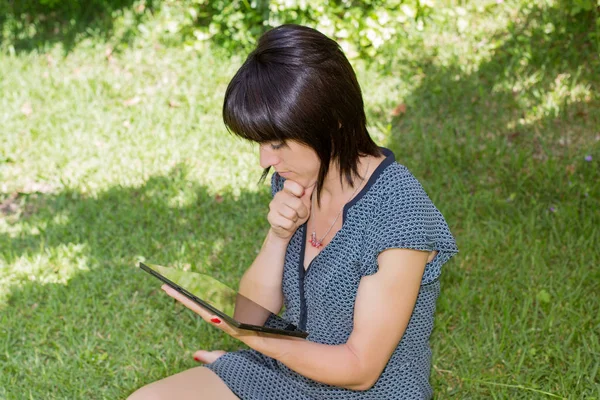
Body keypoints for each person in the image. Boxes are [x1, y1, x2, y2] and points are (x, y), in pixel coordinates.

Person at [128, 24, 458, 400]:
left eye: (278, 143)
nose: (265, 159)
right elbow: (254, 313)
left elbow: (360, 369)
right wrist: (279, 235)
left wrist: (253, 341)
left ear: (332, 120)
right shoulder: (297, 179)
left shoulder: (399, 213)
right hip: (290, 370)